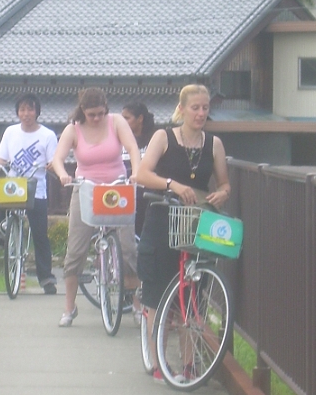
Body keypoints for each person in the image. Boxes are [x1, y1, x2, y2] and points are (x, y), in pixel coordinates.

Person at [135, 84, 231, 379]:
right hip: (163, 217)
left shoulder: (213, 143)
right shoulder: (163, 137)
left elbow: (224, 183)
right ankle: (157, 360)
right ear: (183, 109)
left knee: (192, 294)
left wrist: (223, 193)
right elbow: (140, 173)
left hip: (195, 223)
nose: (201, 113)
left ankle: (190, 364)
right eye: (195, 108)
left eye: (205, 108)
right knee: (157, 293)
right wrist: (171, 185)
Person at [51, 88, 141, 327]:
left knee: (127, 246)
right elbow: (58, 159)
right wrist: (63, 175)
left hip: (117, 187)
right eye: (91, 115)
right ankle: (69, 307)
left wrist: (136, 172)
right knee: (76, 249)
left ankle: (138, 306)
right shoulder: (73, 130)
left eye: (101, 113)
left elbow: (132, 148)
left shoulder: (117, 122)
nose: (97, 118)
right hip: (86, 189)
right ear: (82, 112)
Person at [0, 93, 58, 295]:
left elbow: (54, 162)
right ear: (17, 112)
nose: (26, 114)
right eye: (22, 109)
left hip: (36, 187)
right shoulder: (10, 132)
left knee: (40, 235)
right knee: (0, 187)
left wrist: (51, 166)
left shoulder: (47, 135)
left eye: (30, 109)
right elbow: (1, 158)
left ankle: (46, 278)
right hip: (14, 185)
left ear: (37, 111)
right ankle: (1, 232)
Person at [121, 100, 155, 236]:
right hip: (124, 194)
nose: (123, 122)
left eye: (127, 118)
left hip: (147, 195)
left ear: (140, 119)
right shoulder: (120, 139)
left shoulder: (154, 139)